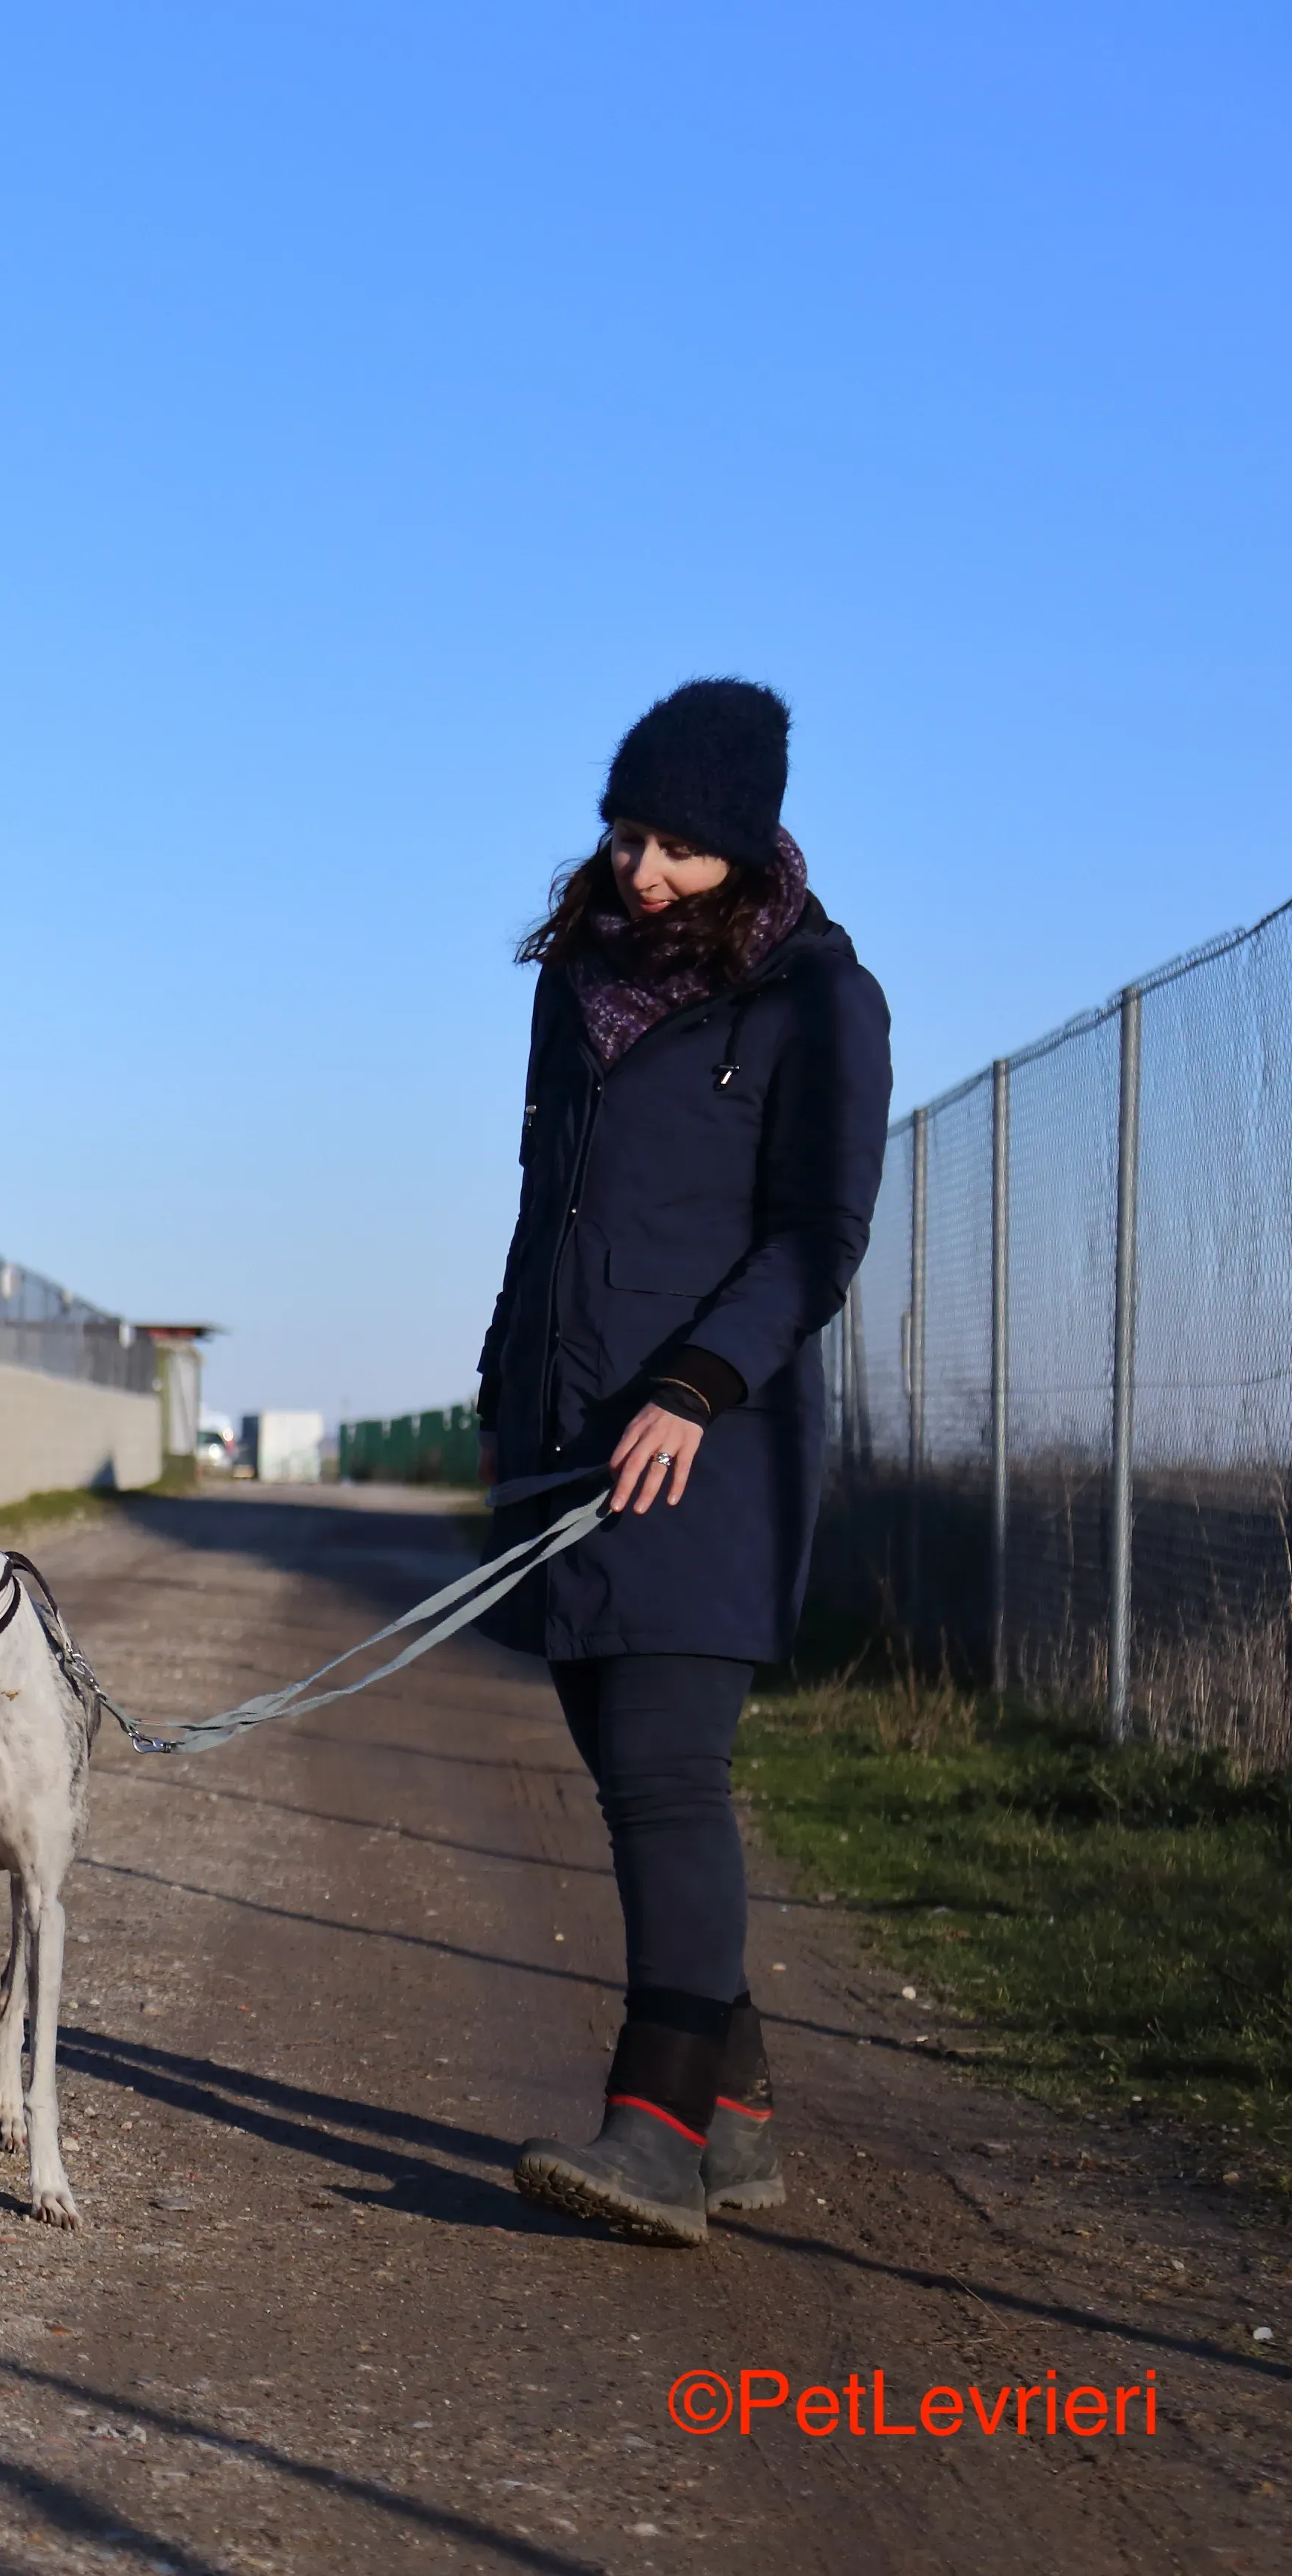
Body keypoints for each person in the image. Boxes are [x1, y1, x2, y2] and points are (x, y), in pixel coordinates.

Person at [478, 678, 892, 2246]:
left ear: (747, 845)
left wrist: (699, 1388)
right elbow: (547, 1205)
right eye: (625, 832)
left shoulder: (817, 1002)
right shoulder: (576, 985)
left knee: (664, 1765)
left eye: (676, 846)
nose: (640, 869)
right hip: (565, 1429)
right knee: (619, 1762)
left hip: (712, 1439)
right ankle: (741, 2109)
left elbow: (816, 1239)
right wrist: (505, 1374)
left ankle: (652, 2131)